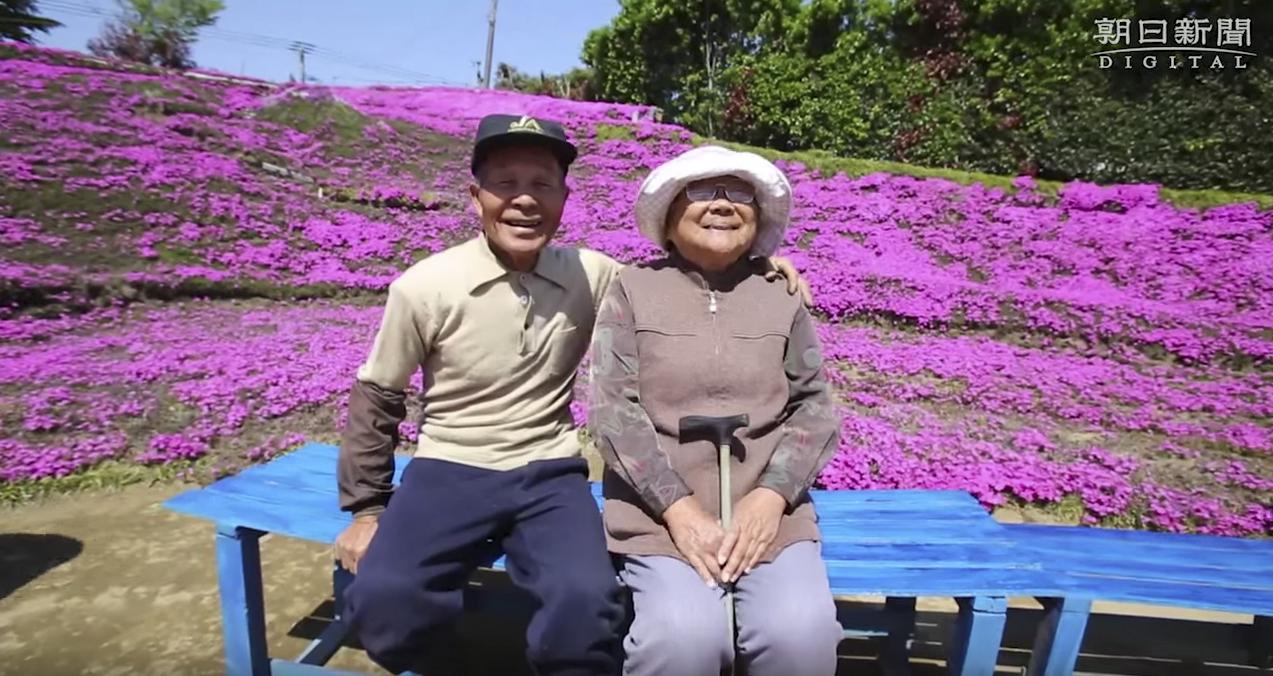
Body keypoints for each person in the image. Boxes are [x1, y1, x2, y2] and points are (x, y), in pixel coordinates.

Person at [333, 116, 811, 675]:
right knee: (385, 599)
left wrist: (756, 266)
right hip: (450, 467)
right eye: (505, 183)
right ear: (475, 197)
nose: (523, 201)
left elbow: (677, 281)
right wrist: (366, 511)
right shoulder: (424, 286)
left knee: (585, 604)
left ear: (564, 197)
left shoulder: (595, 274)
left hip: (549, 474)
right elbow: (378, 396)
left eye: (541, 185)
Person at [588, 145, 844, 676]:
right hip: (659, 515)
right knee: (682, 640)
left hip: (769, 513)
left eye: (739, 194)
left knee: (801, 635)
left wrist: (772, 497)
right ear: (670, 213)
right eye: (703, 191)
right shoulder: (632, 290)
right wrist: (679, 511)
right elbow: (613, 411)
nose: (723, 204)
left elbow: (815, 405)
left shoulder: (781, 295)